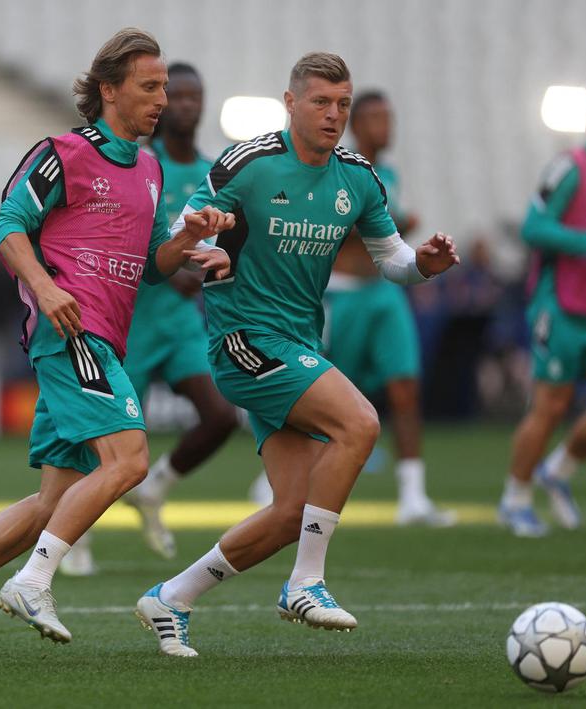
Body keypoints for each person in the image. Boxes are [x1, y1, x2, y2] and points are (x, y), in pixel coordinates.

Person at [0, 28, 233, 664]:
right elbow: (9, 226)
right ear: (108, 90)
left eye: (165, 86)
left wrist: (186, 234)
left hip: (103, 334)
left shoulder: (149, 167)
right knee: (131, 460)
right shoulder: (62, 152)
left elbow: (153, 268)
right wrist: (44, 290)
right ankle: (33, 582)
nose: (162, 98)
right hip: (70, 333)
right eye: (149, 86)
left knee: (52, 501)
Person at [133, 52, 459, 657]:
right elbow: (180, 229)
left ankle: (171, 598)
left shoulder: (358, 177)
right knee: (360, 422)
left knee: (290, 513)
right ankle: (306, 584)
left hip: (297, 343)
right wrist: (201, 243)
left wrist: (424, 266)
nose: (333, 115)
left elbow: (392, 259)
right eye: (320, 102)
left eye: (341, 103)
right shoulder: (248, 163)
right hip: (243, 341)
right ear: (291, 103)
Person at [60, 63, 238, 575]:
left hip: (179, 320)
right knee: (103, 440)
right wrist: (168, 261)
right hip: (130, 317)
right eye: (172, 93)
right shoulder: (138, 162)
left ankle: (156, 488)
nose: (182, 103)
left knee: (221, 415)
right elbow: (114, 240)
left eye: (192, 95)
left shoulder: (214, 172)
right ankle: (77, 538)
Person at [249, 90, 455, 526]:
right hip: (339, 295)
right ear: (356, 125)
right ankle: (275, 475)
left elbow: (391, 234)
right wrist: (393, 224)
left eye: (389, 116)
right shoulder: (337, 170)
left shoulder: (390, 174)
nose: (385, 126)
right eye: (375, 117)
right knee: (312, 390)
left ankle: (413, 495)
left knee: (405, 387)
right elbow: (334, 228)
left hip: (383, 291)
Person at [498, 81, 586, 537]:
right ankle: (515, 498)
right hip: (561, 306)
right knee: (550, 406)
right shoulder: (569, 168)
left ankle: (557, 470)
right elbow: (532, 227)